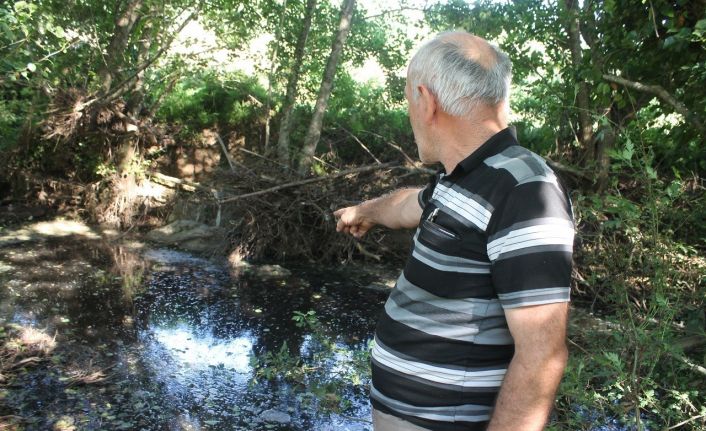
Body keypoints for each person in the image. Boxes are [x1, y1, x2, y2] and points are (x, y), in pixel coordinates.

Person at [333, 31, 574, 431]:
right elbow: (409, 204)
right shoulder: (466, 176)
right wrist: (365, 211)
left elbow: (542, 356)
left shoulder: (525, 190)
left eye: (409, 99)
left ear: (426, 101)